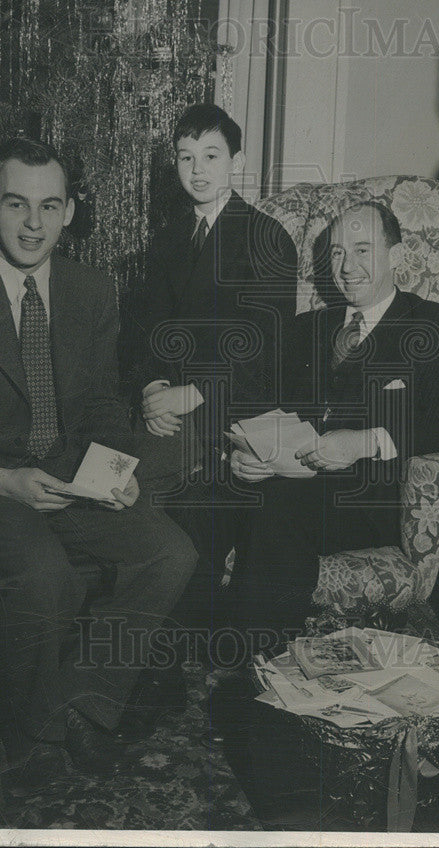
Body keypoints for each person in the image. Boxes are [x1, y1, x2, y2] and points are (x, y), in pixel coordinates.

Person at [0, 137, 198, 791]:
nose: (34, 224)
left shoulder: (91, 289)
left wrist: (114, 469)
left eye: (49, 206)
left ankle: (79, 704)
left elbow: (100, 401)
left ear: (69, 212)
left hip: (67, 473)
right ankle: (31, 737)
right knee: (45, 573)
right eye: (17, 204)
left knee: (169, 553)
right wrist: (0, 478)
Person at [229, 201, 439, 646]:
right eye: (338, 253)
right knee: (200, 501)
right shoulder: (302, 328)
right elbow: (255, 404)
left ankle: (262, 662)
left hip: (378, 497)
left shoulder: (437, 327)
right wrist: (245, 453)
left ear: (397, 257)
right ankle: (174, 669)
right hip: (291, 480)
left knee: (274, 511)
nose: (347, 267)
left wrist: (368, 441)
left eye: (363, 250)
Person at [136, 104, 298, 621]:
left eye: (210, 155)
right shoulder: (166, 240)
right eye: (186, 158)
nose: (198, 170)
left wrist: (194, 393)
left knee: (190, 504)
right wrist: (151, 389)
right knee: (119, 474)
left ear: (237, 161)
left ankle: (189, 641)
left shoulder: (266, 236)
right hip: (175, 407)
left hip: (238, 408)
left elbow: (264, 345)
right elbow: (148, 330)